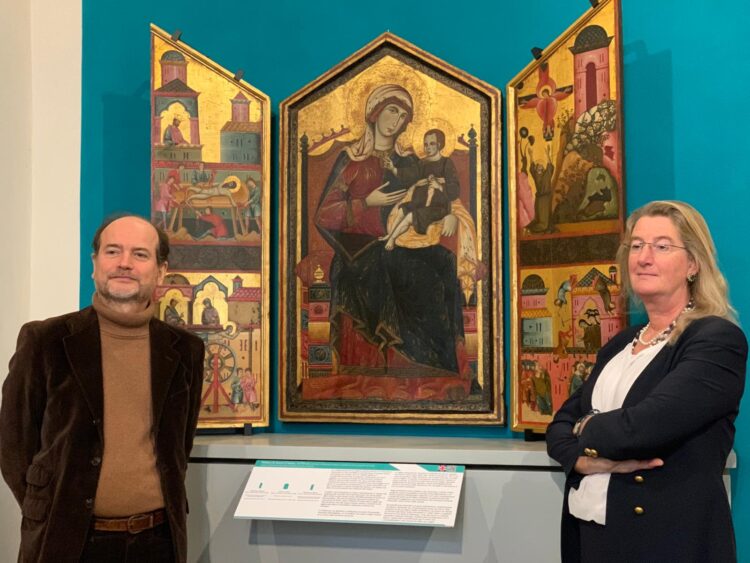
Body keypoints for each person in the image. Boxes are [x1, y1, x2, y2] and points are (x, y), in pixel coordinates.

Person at [546, 200, 747, 562]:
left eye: (662, 246)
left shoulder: (715, 340)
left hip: (668, 541)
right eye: (636, 245)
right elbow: (558, 426)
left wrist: (585, 427)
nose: (644, 257)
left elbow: (643, 428)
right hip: (593, 537)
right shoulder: (621, 344)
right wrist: (584, 462)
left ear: (693, 264)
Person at [0, 214, 205, 562]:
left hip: (158, 543)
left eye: (140, 254)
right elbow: (14, 444)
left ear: (160, 271)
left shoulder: (185, 350)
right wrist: (47, 510)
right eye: (113, 251)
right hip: (65, 541)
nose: (124, 263)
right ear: (94, 264)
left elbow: (179, 444)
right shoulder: (46, 341)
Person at [315, 84, 470, 389]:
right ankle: (410, 365)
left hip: (404, 241)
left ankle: (443, 367)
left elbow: (433, 193)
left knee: (445, 260)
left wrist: (450, 213)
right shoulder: (352, 159)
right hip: (359, 250)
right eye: (392, 111)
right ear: (375, 113)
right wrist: (365, 203)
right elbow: (323, 214)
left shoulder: (409, 162)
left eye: (402, 116)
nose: (396, 120)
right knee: (415, 276)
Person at [379, 128, 460, 251]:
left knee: (410, 216)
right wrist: (393, 168)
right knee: (402, 210)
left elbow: (454, 189)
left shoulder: (446, 163)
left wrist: (439, 185)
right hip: (420, 203)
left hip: (437, 207)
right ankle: (389, 235)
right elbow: (409, 174)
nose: (428, 147)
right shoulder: (423, 163)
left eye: (432, 144)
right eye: (426, 144)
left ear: (439, 145)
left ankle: (392, 239)